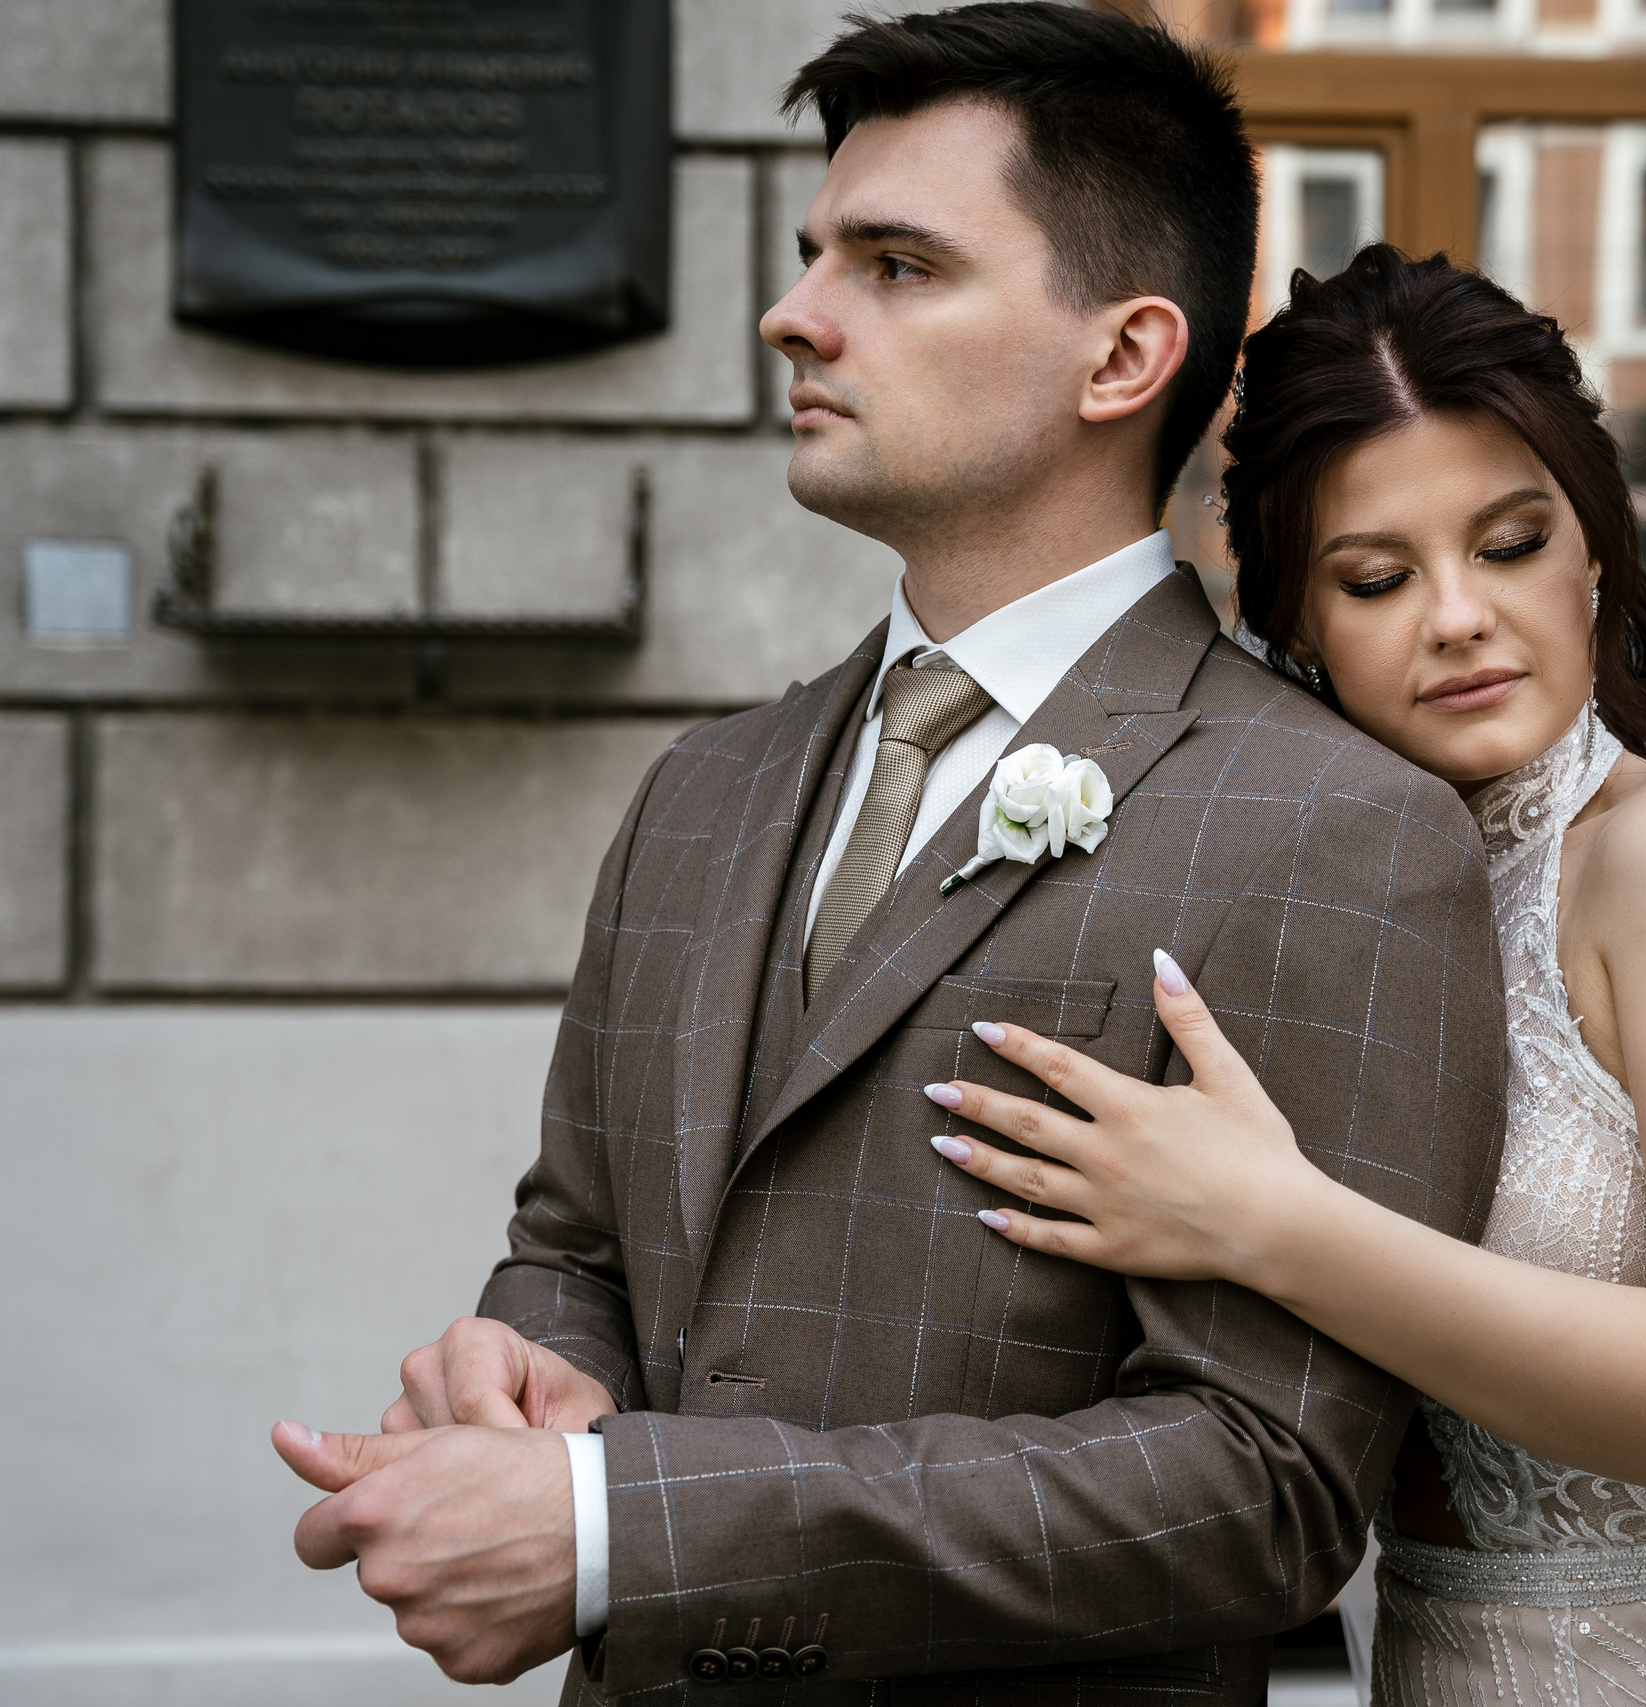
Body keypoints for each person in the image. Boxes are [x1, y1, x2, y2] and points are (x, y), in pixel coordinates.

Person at [265, 14, 1510, 1704]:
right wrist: (526, 1385)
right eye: (810, 257)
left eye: (899, 264)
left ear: (1123, 355)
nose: (796, 313)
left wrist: (624, 1525)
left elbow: (1267, 1497)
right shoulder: (702, 790)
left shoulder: (1336, 833)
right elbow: (579, 1246)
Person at [919, 247, 1646, 1707]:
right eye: (1378, 577)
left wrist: (1274, 1223)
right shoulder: (1320, 886)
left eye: (1508, 546)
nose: (1456, 616)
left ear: (1596, 557)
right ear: (1297, 625)